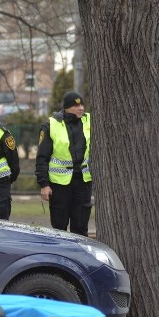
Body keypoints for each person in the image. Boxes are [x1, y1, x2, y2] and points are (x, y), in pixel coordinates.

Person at [35, 91, 92, 236]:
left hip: (83, 181)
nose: (80, 108)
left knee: (80, 227)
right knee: (59, 228)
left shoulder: (89, 120)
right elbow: (42, 157)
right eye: (76, 105)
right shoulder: (51, 125)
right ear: (66, 107)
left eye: (81, 105)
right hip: (59, 185)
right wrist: (44, 184)